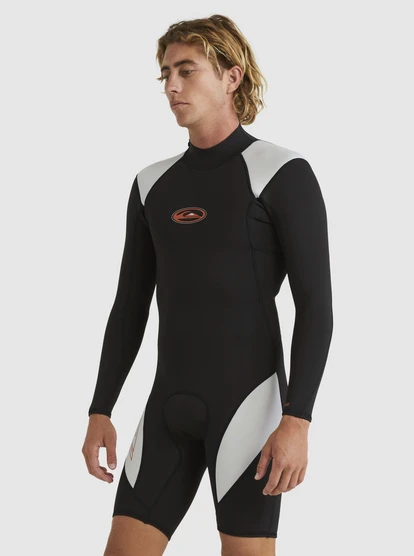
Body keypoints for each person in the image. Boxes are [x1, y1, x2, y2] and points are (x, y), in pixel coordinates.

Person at [81, 13, 334, 556]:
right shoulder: (152, 184)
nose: (171, 86)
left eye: (187, 70)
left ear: (231, 77)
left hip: (250, 410)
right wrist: (101, 407)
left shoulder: (281, 172)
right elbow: (129, 305)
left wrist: (298, 421)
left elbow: (316, 306)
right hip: (167, 407)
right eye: (166, 74)